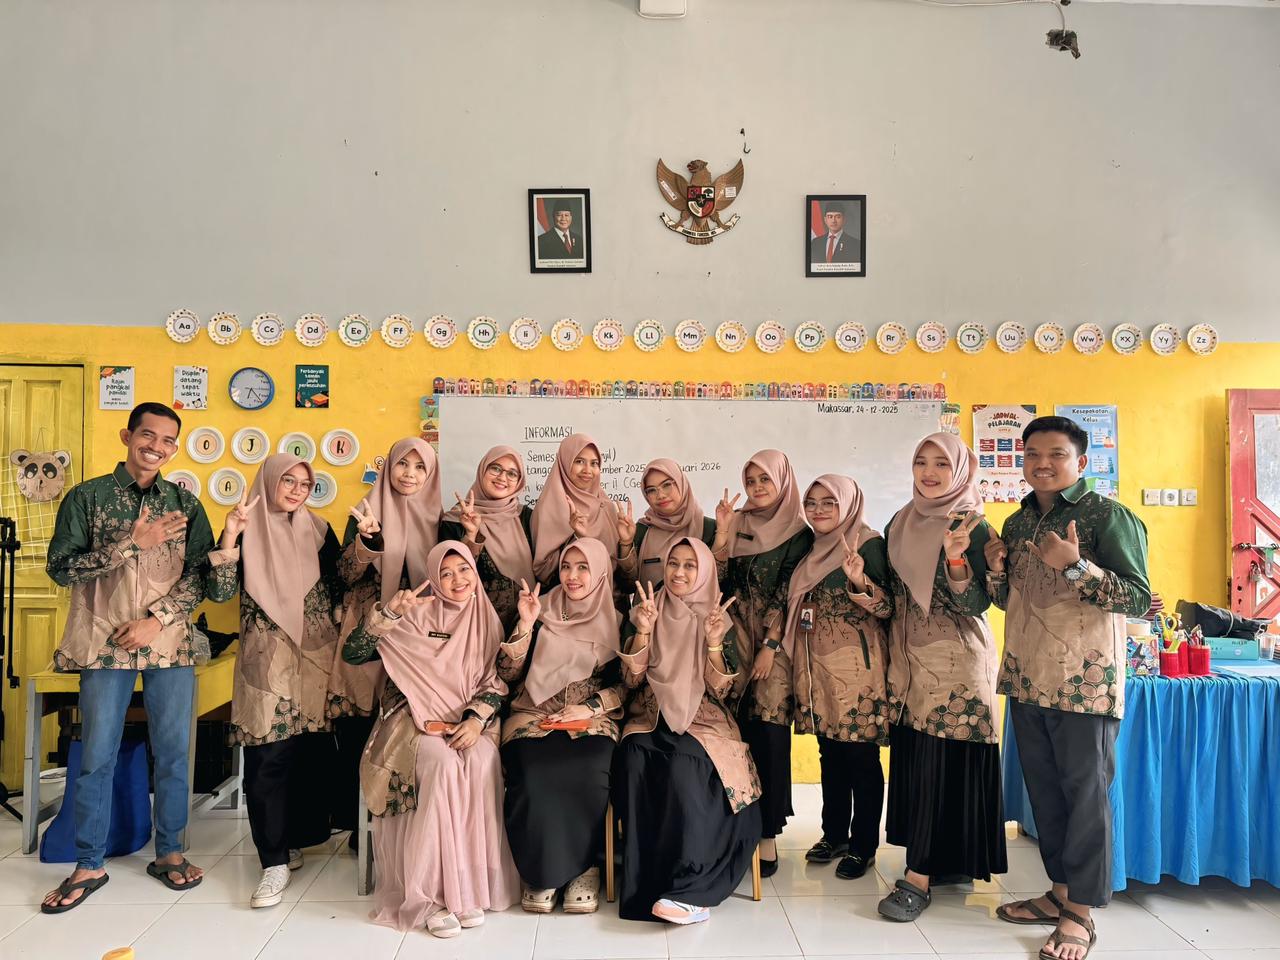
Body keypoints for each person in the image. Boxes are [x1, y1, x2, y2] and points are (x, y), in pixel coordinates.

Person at [987, 416, 1151, 960]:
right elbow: (1007, 599)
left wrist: (1077, 565)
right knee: (1046, 794)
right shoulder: (1016, 522)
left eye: (1056, 454)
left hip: (1085, 682)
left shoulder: (1107, 515)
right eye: (1032, 454)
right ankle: (1058, 893)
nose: (1042, 464)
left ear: (1080, 462)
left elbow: (1138, 598)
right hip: (1027, 676)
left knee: (1085, 798)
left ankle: (1080, 913)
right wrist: (993, 569)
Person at [41, 402, 214, 913]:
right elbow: (61, 568)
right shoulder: (87, 497)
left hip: (168, 644)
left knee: (175, 752)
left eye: (167, 440)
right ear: (127, 435)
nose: (156, 447)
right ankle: (89, 862)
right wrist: (128, 545)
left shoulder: (184, 504)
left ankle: (171, 852)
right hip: (103, 643)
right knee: (98, 753)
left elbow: (200, 577)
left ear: (175, 448)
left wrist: (157, 620)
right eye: (148, 435)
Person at [342, 541, 519, 937]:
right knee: (442, 765)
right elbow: (353, 654)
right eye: (446, 573)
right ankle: (432, 895)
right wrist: (389, 614)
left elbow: (494, 683)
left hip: (468, 720)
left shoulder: (485, 619)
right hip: (410, 719)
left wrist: (475, 720)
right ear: (434, 579)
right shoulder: (414, 613)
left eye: (464, 570)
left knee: (481, 760)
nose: (457, 580)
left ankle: (466, 887)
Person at [205, 453, 344, 909]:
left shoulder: (320, 530)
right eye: (288, 481)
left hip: (316, 659)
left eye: (305, 484)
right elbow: (220, 592)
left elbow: (340, 586)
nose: (297, 491)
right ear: (268, 481)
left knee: (310, 754)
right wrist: (230, 534)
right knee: (268, 757)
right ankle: (273, 861)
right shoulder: (245, 527)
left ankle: (296, 839)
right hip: (267, 660)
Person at [877, 433, 1006, 922]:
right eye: (921, 461)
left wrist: (955, 558)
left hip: (957, 662)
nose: (929, 472)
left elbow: (981, 603)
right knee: (921, 759)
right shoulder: (900, 521)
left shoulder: (973, 524)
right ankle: (947, 860)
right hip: (909, 660)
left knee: (941, 762)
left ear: (959, 470)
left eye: (940, 464)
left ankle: (918, 878)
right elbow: (894, 594)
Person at [613, 538, 761, 924]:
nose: (679, 573)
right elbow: (630, 680)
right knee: (634, 757)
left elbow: (725, 690)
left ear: (705, 571)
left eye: (690, 566)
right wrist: (643, 632)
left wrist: (714, 643)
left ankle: (692, 890)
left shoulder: (719, 616)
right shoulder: (647, 608)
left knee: (686, 766)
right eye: (673, 563)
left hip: (704, 719)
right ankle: (648, 882)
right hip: (651, 715)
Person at [498, 539, 623, 914]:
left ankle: (585, 867)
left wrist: (589, 707)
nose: (572, 576)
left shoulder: (619, 620)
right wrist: (525, 624)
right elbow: (507, 674)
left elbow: (628, 686)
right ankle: (543, 872)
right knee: (533, 773)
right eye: (567, 566)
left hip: (590, 717)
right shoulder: (538, 610)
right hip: (532, 713)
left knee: (588, 769)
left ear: (599, 572)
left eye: (583, 567)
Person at [330, 438, 441, 839]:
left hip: (419, 637)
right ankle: (359, 831)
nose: (409, 474)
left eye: (419, 467)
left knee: (405, 721)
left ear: (431, 475)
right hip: (369, 628)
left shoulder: (441, 520)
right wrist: (368, 543)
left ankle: (400, 828)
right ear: (388, 467)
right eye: (402, 464)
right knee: (360, 722)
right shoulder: (365, 513)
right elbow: (344, 576)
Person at [789, 475, 892, 880]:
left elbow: (888, 607)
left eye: (828, 502)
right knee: (829, 754)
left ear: (847, 504)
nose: (818, 511)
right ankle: (834, 835)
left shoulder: (868, 544)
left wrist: (858, 580)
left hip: (858, 673)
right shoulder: (811, 548)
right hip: (816, 670)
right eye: (811, 503)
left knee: (861, 759)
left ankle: (863, 846)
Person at [717, 449, 814, 876]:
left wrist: (770, 645)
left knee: (769, 734)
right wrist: (722, 534)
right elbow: (717, 581)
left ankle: (768, 836)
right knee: (734, 731)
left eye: (765, 480)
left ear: (783, 481)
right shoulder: (737, 524)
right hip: (732, 639)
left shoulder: (799, 532)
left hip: (775, 645)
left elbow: (790, 592)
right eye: (751, 480)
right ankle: (735, 828)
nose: (756, 488)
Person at [439, 444, 534, 631]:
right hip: (477, 622)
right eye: (496, 468)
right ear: (482, 470)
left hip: (527, 617)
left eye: (512, 474)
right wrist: (471, 534)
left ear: (519, 482)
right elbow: (449, 574)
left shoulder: (526, 516)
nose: (502, 477)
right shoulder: (455, 519)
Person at [529, 433, 621, 588]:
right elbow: (543, 572)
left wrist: (626, 544)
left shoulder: (607, 507)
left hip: (612, 599)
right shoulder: (549, 508)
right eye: (579, 461)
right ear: (565, 464)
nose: (587, 470)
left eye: (594, 463)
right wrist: (578, 538)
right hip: (568, 599)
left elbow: (622, 575)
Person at [616, 458, 715, 591]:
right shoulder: (641, 530)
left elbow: (718, 582)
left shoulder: (709, 528)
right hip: (647, 605)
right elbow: (627, 587)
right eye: (651, 490)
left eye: (667, 485)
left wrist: (723, 534)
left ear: (681, 483)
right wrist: (626, 544)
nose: (660, 495)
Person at [808, 200, 860, 264]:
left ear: (844, 219)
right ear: (825, 220)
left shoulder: (855, 244)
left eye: (838, 217)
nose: (833, 221)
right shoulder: (815, 242)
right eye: (830, 217)